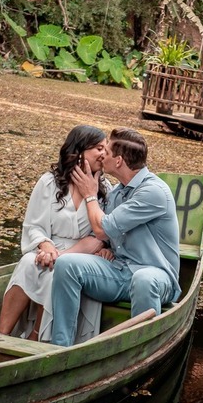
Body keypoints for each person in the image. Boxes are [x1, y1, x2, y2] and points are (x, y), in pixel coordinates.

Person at [47, 127, 180, 347]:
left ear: (118, 161)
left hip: (157, 277)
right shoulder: (117, 192)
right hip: (120, 273)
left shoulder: (153, 192)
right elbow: (103, 235)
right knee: (67, 264)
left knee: (143, 279)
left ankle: (139, 351)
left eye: (106, 152)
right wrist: (104, 248)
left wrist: (90, 195)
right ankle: (60, 348)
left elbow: (103, 228)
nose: (102, 156)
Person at [0, 125, 114, 343]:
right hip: (48, 248)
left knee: (58, 271)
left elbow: (104, 234)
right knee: (27, 263)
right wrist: (46, 246)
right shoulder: (50, 182)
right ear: (79, 151)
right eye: (98, 148)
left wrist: (104, 249)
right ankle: (0, 335)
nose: (104, 153)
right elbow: (33, 226)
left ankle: (37, 338)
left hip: (83, 256)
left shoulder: (106, 189)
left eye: (105, 148)